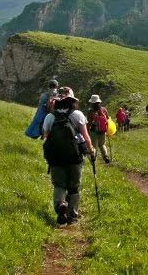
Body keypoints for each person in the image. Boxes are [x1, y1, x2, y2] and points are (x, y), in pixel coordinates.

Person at [42, 87, 95, 225]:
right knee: (74, 187)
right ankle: (72, 216)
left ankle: (60, 205)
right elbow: (86, 137)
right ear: (72, 101)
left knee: (59, 185)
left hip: (56, 158)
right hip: (74, 157)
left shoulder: (50, 117)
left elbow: (45, 138)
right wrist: (91, 150)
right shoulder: (78, 114)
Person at [87, 94, 110, 163]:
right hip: (103, 131)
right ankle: (105, 156)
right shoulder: (104, 109)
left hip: (94, 131)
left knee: (93, 146)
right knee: (102, 144)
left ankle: (93, 159)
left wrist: (87, 131)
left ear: (92, 103)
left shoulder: (90, 111)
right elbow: (108, 119)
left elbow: (89, 122)